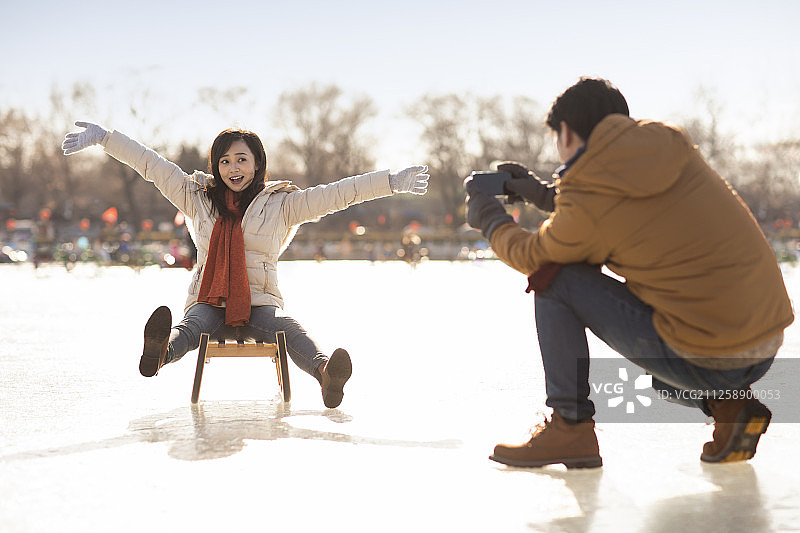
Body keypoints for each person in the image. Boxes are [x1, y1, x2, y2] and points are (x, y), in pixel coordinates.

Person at [464, 77, 793, 467]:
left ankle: (570, 427)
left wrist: (490, 220)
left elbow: (537, 254)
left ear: (566, 131)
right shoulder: (666, 146)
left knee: (555, 278)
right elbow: (609, 211)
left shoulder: (593, 193)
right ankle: (732, 410)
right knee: (663, 373)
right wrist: (540, 193)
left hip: (710, 356)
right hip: (765, 342)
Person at [62, 121, 429, 408]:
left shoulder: (284, 204)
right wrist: (106, 138)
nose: (232, 168)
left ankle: (325, 373)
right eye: (224, 161)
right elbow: (151, 165)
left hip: (258, 302)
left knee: (287, 328)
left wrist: (391, 182)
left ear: (257, 164)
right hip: (210, 299)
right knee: (192, 326)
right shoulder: (197, 197)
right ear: (215, 165)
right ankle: (158, 354)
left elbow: (338, 194)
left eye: (241, 159)